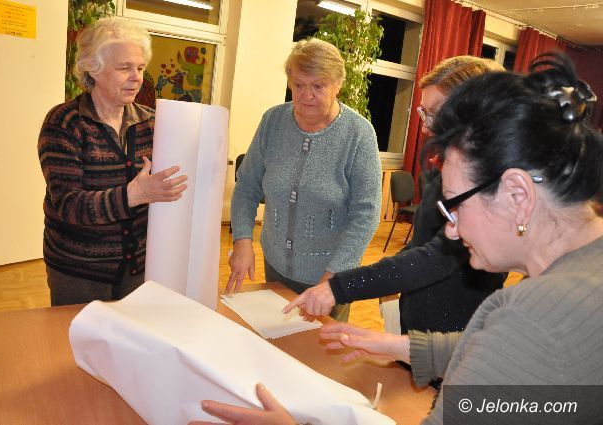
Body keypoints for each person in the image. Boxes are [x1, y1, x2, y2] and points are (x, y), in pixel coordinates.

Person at [191, 52, 603, 424]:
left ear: (518, 195)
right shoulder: (566, 287)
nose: (450, 231)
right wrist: (400, 346)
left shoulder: (532, 320)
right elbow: (491, 350)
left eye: (455, 205)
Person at [284, 56, 506, 336]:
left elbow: (434, 258)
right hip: (417, 327)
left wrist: (339, 288)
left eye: (436, 113)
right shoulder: (451, 170)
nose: (425, 127)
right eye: (424, 113)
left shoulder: (491, 185)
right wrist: (388, 281)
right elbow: (422, 242)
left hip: (454, 338)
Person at [226, 38, 382, 322]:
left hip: (330, 276)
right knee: (276, 336)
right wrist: (242, 239)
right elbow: (247, 185)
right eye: (298, 85)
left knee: (318, 347)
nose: (306, 95)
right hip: (275, 265)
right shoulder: (273, 121)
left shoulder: (359, 134)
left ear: (338, 84)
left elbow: (366, 214)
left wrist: (332, 280)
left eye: (318, 86)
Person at [38, 17, 187, 306]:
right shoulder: (64, 123)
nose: (137, 77)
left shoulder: (153, 122)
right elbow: (68, 204)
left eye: (140, 67)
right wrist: (134, 194)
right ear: (92, 69)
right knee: (79, 335)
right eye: (124, 68)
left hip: (138, 268)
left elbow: (169, 185)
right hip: (79, 272)